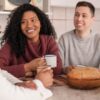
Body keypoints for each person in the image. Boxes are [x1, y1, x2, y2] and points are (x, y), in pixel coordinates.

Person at [0, 3, 62, 78]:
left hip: (46, 87)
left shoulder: (49, 41)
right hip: (19, 88)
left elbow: (57, 69)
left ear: (40, 22)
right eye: (23, 22)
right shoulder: (12, 43)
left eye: (33, 20)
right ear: (18, 26)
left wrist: (30, 72)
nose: (29, 25)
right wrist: (28, 67)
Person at [58, 1, 100, 72]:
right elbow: (59, 68)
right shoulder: (64, 39)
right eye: (76, 15)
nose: (79, 19)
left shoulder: (98, 40)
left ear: (92, 19)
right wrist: (66, 69)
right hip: (69, 81)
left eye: (84, 16)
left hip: (94, 81)